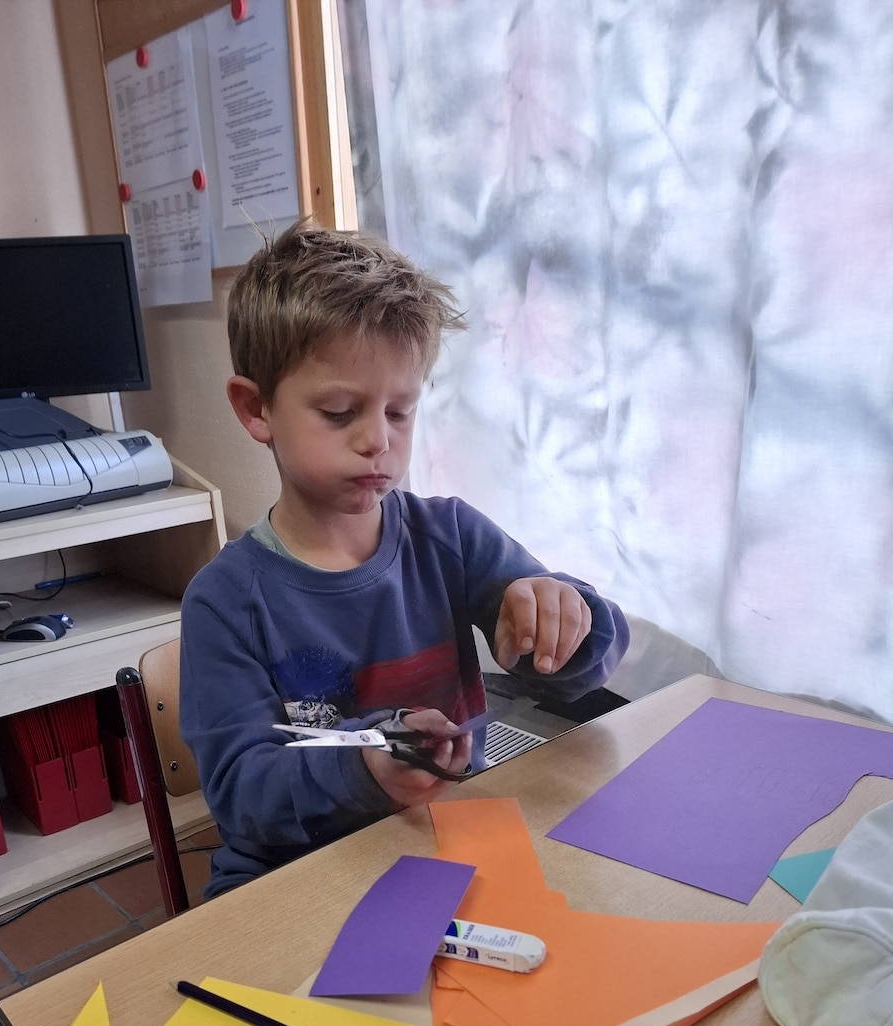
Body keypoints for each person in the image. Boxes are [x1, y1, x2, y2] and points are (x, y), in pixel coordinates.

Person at [180, 221, 629, 897]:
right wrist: (364, 767)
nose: (378, 441)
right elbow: (243, 794)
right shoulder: (225, 600)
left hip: (451, 841)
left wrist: (567, 623)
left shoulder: (449, 536)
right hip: (297, 875)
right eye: (339, 411)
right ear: (256, 409)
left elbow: (594, 652)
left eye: (400, 412)